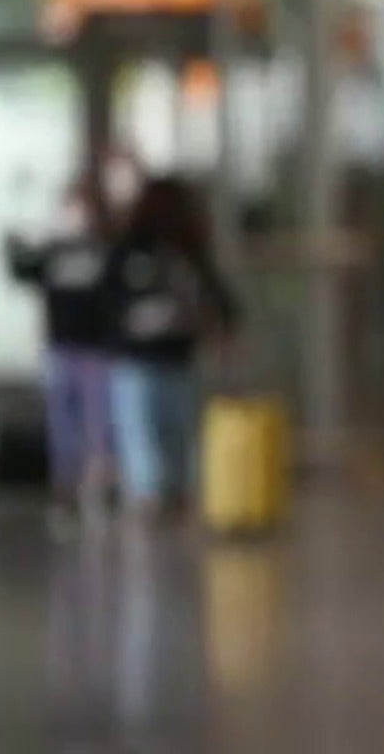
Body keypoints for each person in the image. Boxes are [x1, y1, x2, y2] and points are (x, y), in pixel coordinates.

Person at [105, 176, 239, 521]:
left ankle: (175, 496)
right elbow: (106, 299)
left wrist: (223, 332)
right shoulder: (130, 251)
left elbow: (219, 298)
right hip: (136, 360)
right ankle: (149, 497)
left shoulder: (187, 253)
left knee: (176, 434)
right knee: (142, 433)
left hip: (177, 359)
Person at [7, 180, 116, 517]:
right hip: (60, 349)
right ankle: (65, 487)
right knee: (62, 424)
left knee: (100, 424)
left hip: (97, 350)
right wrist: (18, 239)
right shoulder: (53, 250)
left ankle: (101, 486)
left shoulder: (105, 249)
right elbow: (22, 270)